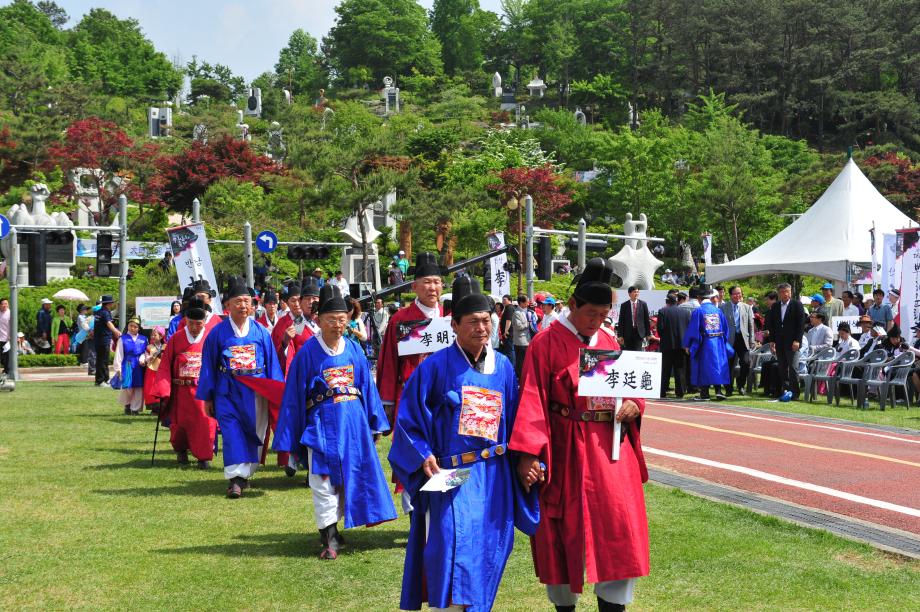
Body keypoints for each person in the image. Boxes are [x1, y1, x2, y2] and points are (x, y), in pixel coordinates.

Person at [389, 276, 538, 611]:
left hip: (494, 474)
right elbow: (408, 419)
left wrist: (528, 457)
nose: (481, 328)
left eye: (486, 321)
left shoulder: (502, 366)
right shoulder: (435, 367)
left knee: (489, 547)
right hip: (453, 473)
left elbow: (518, 420)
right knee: (450, 547)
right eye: (472, 322)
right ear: (453, 325)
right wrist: (423, 453)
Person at [510, 258, 649, 612]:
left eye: (603, 314)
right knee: (560, 531)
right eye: (591, 314)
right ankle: (564, 606)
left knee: (618, 523)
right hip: (564, 446)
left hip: (608, 448)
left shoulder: (607, 338)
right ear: (572, 306)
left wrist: (634, 405)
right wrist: (528, 454)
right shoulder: (546, 343)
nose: (597, 321)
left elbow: (626, 386)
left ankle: (613, 604)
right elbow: (531, 398)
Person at [274, 284, 397, 559]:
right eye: (332, 319)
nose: (338, 325)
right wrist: (291, 437)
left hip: (353, 424)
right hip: (321, 424)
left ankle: (334, 528)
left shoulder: (354, 350)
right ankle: (328, 536)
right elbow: (294, 396)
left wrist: (374, 422)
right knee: (322, 479)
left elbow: (366, 386)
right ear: (319, 320)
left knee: (352, 476)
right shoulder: (307, 353)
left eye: (342, 320)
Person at [196, 277, 285, 498]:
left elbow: (272, 363)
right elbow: (208, 366)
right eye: (238, 301)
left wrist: (276, 391)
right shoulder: (216, 333)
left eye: (247, 301)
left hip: (256, 392)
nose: (243, 306)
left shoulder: (262, 332)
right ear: (227, 305)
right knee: (232, 432)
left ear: (253, 305)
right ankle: (235, 479)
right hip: (228, 390)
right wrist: (207, 397)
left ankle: (244, 474)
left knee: (255, 432)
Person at [376, 252, 444, 515]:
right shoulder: (400, 319)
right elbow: (389, 363)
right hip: (410, 399)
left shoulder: (451, 317)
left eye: (437, 282)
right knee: (411, 450)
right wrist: (388, 403)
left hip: (444, 400)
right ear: (414, 286)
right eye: (426, 282)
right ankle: (414, 511)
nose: (432, 288)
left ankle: (438, 510)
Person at [152, 299, 218, 469]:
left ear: (204, 322)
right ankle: (181, 451)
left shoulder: (211, 337)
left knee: (205, 423)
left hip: (202, 391)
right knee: (179, 425)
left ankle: (204, 457)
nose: (194, 328)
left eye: (198, 324)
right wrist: (162, 389)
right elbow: (165, 364)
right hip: (181, 390)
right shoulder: (176, 338)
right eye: (191, 323)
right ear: (185, 321)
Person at [684, 284, 734, 401]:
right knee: (717, 366)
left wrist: (688, 344)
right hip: (719, 343)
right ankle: (718, 391)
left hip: (705, 344)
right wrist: (722, 340)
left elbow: (693, 330)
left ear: (699, 298)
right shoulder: (718, 311)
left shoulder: (699, 311)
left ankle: (705, 393)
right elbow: (726, 329)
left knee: (704, 367)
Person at [767, 283, 807, 400]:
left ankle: (795, 392)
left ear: (791, 292)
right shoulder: (775, 306)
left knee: (793, 367)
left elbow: (801, 325)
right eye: (783, 292)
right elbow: (772, 325)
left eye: (787, 291)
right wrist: (772, 341)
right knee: (782, 367)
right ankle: (786, 390)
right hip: (779, 341)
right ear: (779, 293)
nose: (785, 294)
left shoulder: (797, 305)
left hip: (792, 342)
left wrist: (797, 340)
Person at [720, 285, 755, 396]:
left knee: (746, 363)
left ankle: (741, 385)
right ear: (730, 295)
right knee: (729, 365)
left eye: (739, 293)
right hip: (729, 340)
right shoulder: (723, 307)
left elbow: (750, 325)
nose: (738, 295)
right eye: (735, 293)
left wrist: (752, 340)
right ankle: (728, 388)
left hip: (743, 339)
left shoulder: (747, 307)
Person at [657, 294, 691, 398]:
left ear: (667, 301)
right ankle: (680, 392)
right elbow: (689, 328)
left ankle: (662, 391)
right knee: (680, 370)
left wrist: (665, 338)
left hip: (667, 346)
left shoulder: (663, 311)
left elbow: (660, 329)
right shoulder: (686, 312)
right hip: (681, 346)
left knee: (665, 370)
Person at [113, 317, 148, 415]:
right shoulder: (123, 339)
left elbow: (146, 352)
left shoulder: (144, 339)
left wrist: (143, 359)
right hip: (127, 364)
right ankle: (127, 405)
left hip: (139, 366)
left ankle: (135, 409)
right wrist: (118, 368)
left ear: (139, 328)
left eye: (135, 327)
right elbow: (119, 354)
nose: (132, 328)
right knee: (127, 386)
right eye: (130, 326)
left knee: (138, 387)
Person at [94, 296, 120, 387]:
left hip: (98, 339)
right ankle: (101, 381)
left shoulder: (98, 312)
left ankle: (103, 379)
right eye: (111, 303)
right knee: (103, 360)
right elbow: (109, 323)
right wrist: (116, 332)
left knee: (100, 360)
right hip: (103, 339)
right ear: (108, 304)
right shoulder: (105, 313)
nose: (112, 304)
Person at [511, 295, 537, 376]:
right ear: (521, 303)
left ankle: (524, 376)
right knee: (521, 362)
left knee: (526, 361)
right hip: (520, 342)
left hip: (527, 340)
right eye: (527, 301)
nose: (528, 303)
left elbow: (534, 321)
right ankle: (519, 377)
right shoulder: (517, 313)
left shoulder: (527, 311)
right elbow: (519, 326)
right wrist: (528, 323)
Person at [617, 286, 650, 351]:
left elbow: (646, 320)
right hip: (627, 333)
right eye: (634, 292)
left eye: (637, 292)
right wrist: (620, 335)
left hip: (639, 333)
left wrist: (648, 334)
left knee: (637, 352)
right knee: (628, 352)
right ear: (629, 294)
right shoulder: (624, 305)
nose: (636, 293)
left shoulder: (643, 304)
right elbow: (621, 321)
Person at [141, 326, 166, 410]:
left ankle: (161, 405)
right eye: (152, 335)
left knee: (161, 386)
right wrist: (150, 358)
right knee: (150, 387)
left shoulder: (165, 346)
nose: (152, 337)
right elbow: (146, 357)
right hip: (151, 370)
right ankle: (153, 407)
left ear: (161, 336)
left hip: (162, 371)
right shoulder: (149, 347)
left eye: (155, 335)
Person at [0, 297, 9, 374]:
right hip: (0, 338)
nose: (4, 305)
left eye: (6, 304)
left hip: (7, 339)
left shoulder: (10, 313)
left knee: (6, 357)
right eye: (3, 304)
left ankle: (7, 371)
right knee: (1, 357)